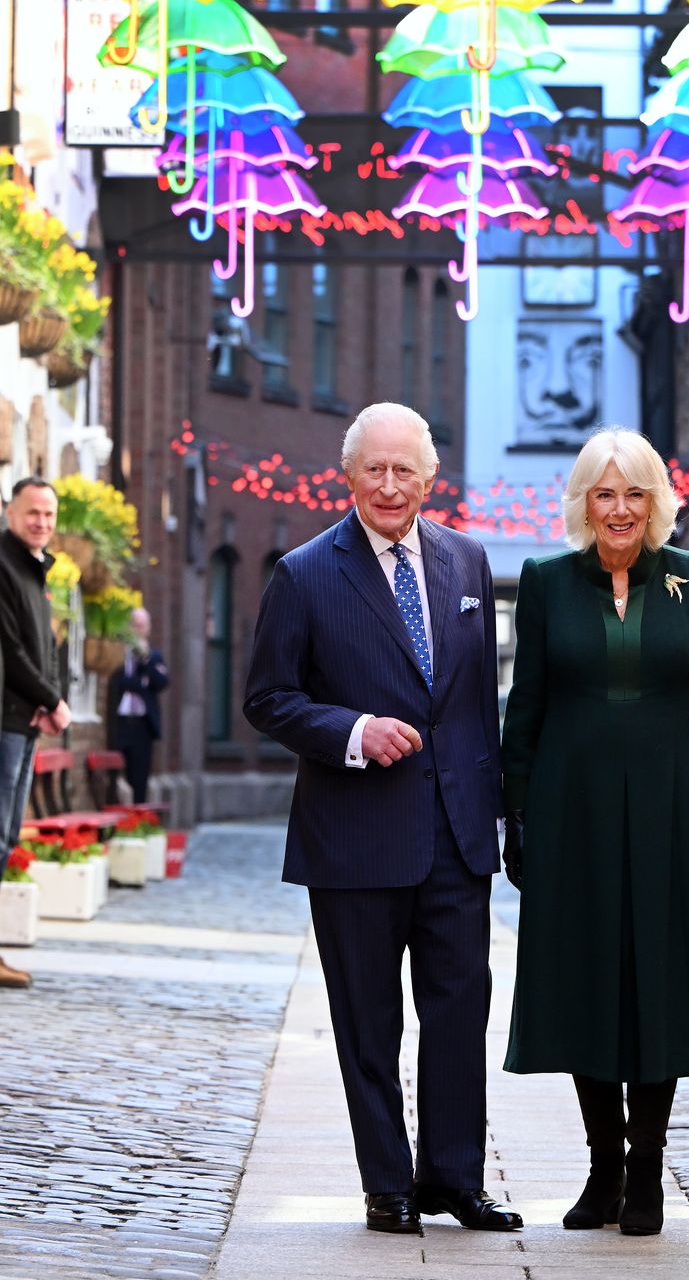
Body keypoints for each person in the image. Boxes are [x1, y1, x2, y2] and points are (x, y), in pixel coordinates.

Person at [243, 402, 521, 1237]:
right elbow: (267, 698)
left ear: (429, 477)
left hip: (455, 833)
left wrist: (498, 812)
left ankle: (457, 1179)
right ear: (350, 474)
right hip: (355, 835)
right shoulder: (302, 573)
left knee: (459, 1012)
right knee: (370, 1023)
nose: (391, 485)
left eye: (406, 470)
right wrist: (353, 731)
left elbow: (474, 707)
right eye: (376, 469)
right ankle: (389, 1185)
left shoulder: (468, 562)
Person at [500, 427, 689, 1237]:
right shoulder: (545, 582)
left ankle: (647, 1167)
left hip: (667, 807)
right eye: (605, 494)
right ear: (583, 503)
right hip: (570, 806)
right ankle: (602, 1164)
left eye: (634, 493)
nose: (620, 509)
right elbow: (525, 707)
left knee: (658, 980)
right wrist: (514, 812)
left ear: (656, 503)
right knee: (586, 981)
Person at [0, 476, 73, 991]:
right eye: (32, 513)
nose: (41, 522)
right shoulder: (4, 565)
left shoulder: (33, 568)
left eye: (48, 514)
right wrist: (52, 700)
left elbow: (35, 649)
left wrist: (44, 700)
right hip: (6, 720)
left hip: (22, 720)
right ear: (10, 512)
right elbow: (11, 649)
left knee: (5, 838)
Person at [107, 608, 169, 804]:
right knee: (115, 773)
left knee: (140, 776)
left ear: (148, 629)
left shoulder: (154, 657)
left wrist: (145, 660)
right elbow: (118, 683)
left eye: (142, 626)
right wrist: (140, 684)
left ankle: (138, 821)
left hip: (143, 725)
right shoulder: (119, 654)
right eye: (135, 625)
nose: (138, 629)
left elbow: (161, 682)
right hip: (122, 722)